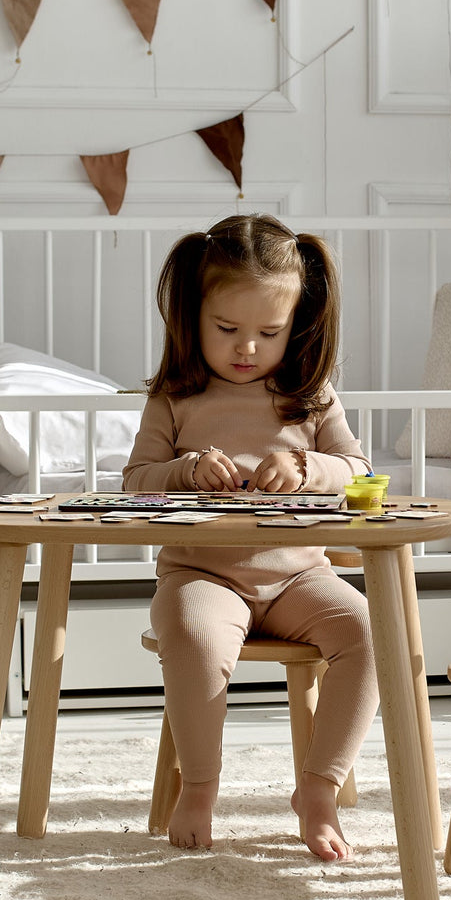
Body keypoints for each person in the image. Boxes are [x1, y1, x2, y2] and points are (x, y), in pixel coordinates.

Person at [122, 213, 377, 862]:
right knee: (194, 639)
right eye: (227, 330)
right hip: (202, 575)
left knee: (369, 633)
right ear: (191, 318)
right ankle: (199, 786)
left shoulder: (310, 396)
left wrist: (305, 468)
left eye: (268, 332)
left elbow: (358, 473)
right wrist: (182, 471)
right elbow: (133, 484)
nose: (247, 348)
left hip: (298, 576)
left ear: (295, 326)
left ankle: (318, 789)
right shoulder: (174, 399)